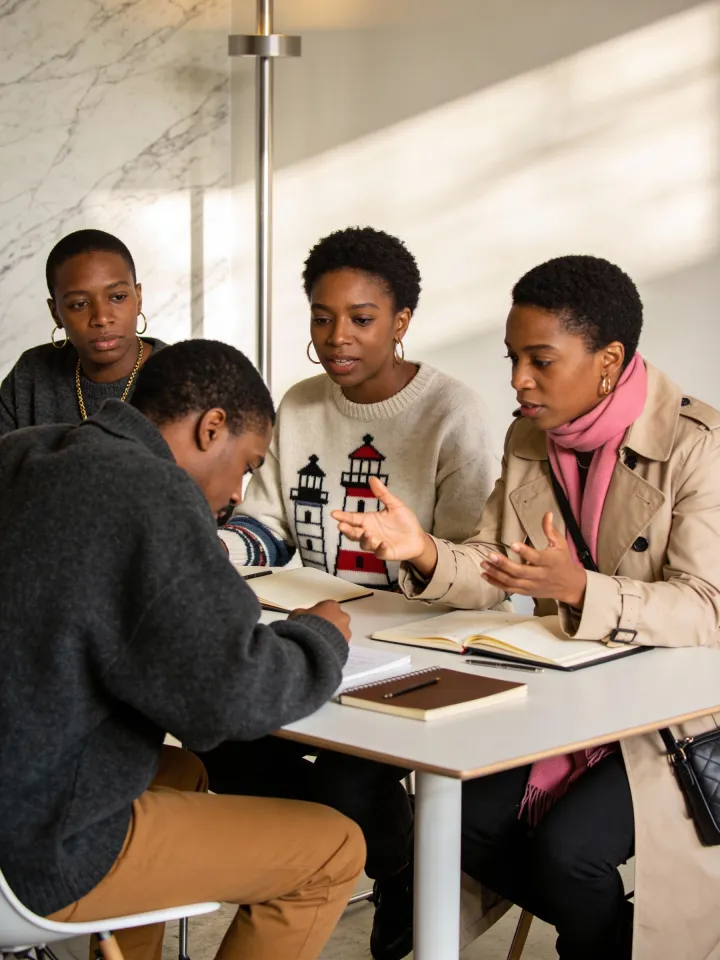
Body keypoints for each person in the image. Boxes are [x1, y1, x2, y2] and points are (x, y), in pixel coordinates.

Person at [332, 254, 720, 960]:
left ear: (608, 361)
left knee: (571, 853)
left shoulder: (700, 447)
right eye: (513, 358)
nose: (517, 380)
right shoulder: (527, 438)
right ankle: (615, 940)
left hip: (681, 717)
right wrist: (420, 549)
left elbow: (708, 610)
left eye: (539, 360)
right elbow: (491, 565)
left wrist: (578, 591)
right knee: (453, 824)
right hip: (572, 697)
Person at [0, 339, 365, 960]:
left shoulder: (22, 452)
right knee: (333, 851)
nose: (239, 493)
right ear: (211, 427)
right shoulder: (150, 490)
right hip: (33, 848)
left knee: (180, 772)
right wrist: (321, 636)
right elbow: (228, 699)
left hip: (19, 790)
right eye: (247, 465)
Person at [203, 226, 496, 960]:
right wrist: (209, 549)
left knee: (350, 780)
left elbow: (474, 565)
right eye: (321, 317)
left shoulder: (451, 412)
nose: (338, 336)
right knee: (224, 737)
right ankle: (332, 862)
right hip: (313, 629)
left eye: (362, 318)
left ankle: (397, 871)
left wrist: (412, 555)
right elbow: (265, 526)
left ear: (401, 323)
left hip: (413, 648)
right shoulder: (300, 402)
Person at [0, 229, 163, 435]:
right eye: (79, 304)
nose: (102, 318)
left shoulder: (184, 379)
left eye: (118, 297)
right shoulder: (31, 375)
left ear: (138, 299)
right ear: (56, 313)